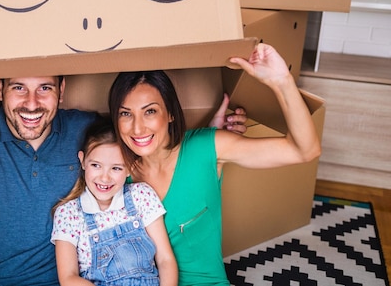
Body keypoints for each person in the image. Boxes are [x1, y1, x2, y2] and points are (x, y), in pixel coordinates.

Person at [0, 73, 247, 285]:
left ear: (62, 91)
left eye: (45, 88)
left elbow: (143, 139)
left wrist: (207, 140)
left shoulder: (83, 129)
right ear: (0, 88)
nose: (32, 103)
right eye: (19, 87)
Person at [107, 43, 322, 286]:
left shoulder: (207, 148)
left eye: (150, 111)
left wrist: (281, 81)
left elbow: (305, 150)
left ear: (170, 113)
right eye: (125, 113)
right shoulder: (113, 171)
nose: (137, 128)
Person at [51, 117, 177, 286]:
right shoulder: (68, 213)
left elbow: (165, 259)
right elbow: (68, 278)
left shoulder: (141, 196)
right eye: (96, 165)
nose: (105, 177)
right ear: (82, 161)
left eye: (116, 168)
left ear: (130, 167)